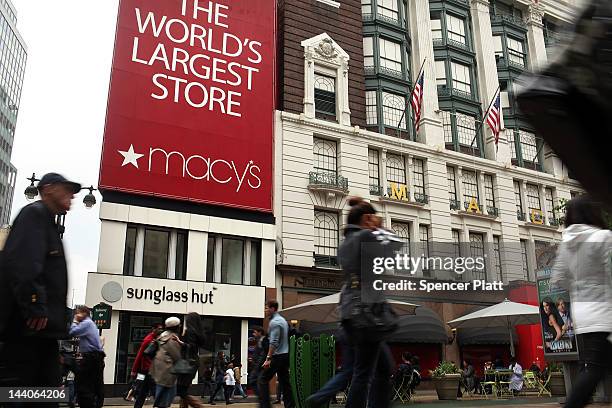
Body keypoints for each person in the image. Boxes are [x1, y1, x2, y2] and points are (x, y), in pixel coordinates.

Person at [0, 173, 80, 399]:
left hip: (43, 331)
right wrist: (34, 304)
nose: (71, 195)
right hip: (29, 327)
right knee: (25, 392)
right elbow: (24, 263)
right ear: (48, 189)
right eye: (66, 189)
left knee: (45, 393)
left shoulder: (47, 223)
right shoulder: (34, 215)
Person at [337, 197, 399, 408]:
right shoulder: (365, 236)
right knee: (365, 373)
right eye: (373, 217)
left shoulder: (345, 242)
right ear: (366, 219)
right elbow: (395, 245)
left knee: (380, 368)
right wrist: (380, 227)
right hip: (366, 313)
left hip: (350, 311)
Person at [550, 195, 612, 408]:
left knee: (593, 368)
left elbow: (558, 277)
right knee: (593, 370)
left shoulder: (566, 244)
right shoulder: (604, 237)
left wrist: (579, 287)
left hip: (582, 315)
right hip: (604, 311)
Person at [258, 300, 294, 408]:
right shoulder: (283, 320)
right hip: (285, 355)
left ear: (273, 309)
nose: (265, 310)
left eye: (267, 308)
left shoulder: (275, 322)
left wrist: (268, 358)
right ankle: (290, 406)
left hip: (277, 356)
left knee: (263, 379)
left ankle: (265, 406)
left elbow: (273, 342)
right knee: (285, 382)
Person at [305, 327, 354, 407]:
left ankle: (319, 396)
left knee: (348, 372)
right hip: (367, 330)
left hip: (348, 329)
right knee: (360, 374)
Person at [69, 305, 105, 408]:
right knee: (95, 384)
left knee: (84, 384)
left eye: (78, 313)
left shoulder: (86, 323)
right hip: (95, 357)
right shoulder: (90, 323)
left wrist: (75, 321)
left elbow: (72, 332)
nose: (76, 315)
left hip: (91, 358)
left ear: (84, 313)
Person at [150, 317, 183, 408]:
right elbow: (177, 356)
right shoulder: (172, 339)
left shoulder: (162, 335)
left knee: (161, 395)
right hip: (168, 371)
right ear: (176, 327)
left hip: (158, 369)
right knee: (166, 398)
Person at [177, 312, 206, 408]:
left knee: (181, 391)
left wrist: (180, 343)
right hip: (193, 362)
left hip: (187, 362)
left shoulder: (189, 332)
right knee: (184, 390)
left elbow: (191, 346)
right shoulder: (198, 333)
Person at [131, 323, 163, 408]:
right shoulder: (148, 340)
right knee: (155, 390)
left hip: (148, 369)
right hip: (147, 369)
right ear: (153, 329)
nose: (161, 330)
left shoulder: (156, 339)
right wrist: (134, 370)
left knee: (143, 391)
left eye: (161, 329)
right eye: (159, 329)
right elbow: (139, 355)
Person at [248, 326, 268, 396]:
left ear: (260, 332)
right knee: (255, 382)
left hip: (259, 367)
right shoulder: (259, 341)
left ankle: (262, 398)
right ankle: (262, 398)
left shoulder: (263, 340)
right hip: (257, 366)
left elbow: (262, 355)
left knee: (254, 381)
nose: (253, 334)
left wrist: (257, 365)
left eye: (255, 332)